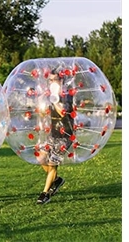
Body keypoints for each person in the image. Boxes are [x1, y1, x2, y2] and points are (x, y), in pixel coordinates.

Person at [35, 69, 74, 205]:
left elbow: (63, 112)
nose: (52, 82)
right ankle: (56, 180)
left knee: (52, 163)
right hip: (53, 133)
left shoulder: (67, 95)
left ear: (61, 81)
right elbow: (42, 112)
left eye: (55, 80)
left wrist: (55, 99)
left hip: (65, 135)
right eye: (50, 80)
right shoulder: (47, 95)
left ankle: (45, 194)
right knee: (41, 158)